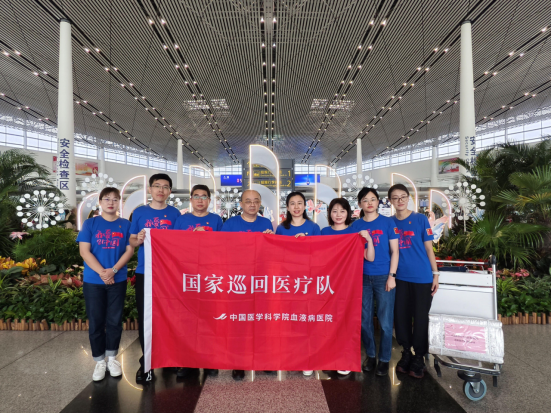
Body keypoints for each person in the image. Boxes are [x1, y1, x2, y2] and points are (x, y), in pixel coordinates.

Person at [77, 187, 134, 382]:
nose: (111, 202)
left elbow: (129, 250)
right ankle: (99, 361)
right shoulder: (90, 224)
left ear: (120, 203)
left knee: (114, 321)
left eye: (115, 199)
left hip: (117, 280)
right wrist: (103, 273)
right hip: (93, 281)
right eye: (107, 199)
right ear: (100, 202)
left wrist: (113, 271)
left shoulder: (126, 225)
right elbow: (84, 251)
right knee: (96, 321)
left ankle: (112, 358)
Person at [129, 174, 182, 383]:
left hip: (169, 274)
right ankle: (147, 362)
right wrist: (139, 239)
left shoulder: (175, 214)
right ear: (150, 189)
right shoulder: (140, 212)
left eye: (165, 187)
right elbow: (132, 240)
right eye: (157, 186)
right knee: (146, 318)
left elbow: (180, 242)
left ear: (170, 191)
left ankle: (169, 357)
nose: (161, 190)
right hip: (146, 272)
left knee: (169, 316)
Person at [222, 189, 273, 381]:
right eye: (248, 201)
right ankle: (238, 363)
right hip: (238, 281)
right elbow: (221, 249)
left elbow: (272, 253)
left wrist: (270, 239)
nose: (252, 204)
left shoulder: (266, 223)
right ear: (241, 204)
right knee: (239, 323)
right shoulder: (230, 224)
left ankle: (263, 359)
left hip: (260, 280)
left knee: (261, 320)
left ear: (260, 204)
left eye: (256, 201)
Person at [389, 184, 439, 379]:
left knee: (420, 318)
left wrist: (435, 274)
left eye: (403, 196)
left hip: (422, 278)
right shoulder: (389, 222)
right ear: (391, 201)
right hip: (399, 278)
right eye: (395, 197)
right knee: (401, 317)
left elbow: (429, 249)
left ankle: (419, 356)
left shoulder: (420, 220)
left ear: (408, 198)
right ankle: (406, 352)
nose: (400, 200)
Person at [173, 185, 221, 378]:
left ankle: (209, 360)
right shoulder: (181, 220)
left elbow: (223, 246)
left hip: (209, 276)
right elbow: (173, 245)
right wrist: (191, 238)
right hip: (187, 275)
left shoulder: (216, 220)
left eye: (204, 197)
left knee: (209, 319)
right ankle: (187, 361)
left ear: (209, 200)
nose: (200, 200)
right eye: (196, 196)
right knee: (187, 320)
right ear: (191, 199)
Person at [351, 187, 399, 377]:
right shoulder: (355, 226)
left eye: (372, 199)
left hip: (383, 277)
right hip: (362, 278)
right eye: (365, 200)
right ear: (360, 204)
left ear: (378, 202)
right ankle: (371, 355)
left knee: (386, 322)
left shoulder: (388, 222)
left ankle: (384, 359)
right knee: (365, 321)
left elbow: (395, 251)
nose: (369, 203)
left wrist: (392, 276)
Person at [320, 198, 369, 377]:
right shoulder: (324, 232)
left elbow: (369, 257)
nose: (338, 215)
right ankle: (328, 358)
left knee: (347, 321)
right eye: (334, 211)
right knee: (328, 322)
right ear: (329, 213)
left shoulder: (354, 232)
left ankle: (344, 359)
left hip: (348, 284)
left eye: (342, 211)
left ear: (348, 213)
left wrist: (369, 240)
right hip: (328, 284)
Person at [275, 191, 320, 377]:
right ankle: (291, 357)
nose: (296, 207)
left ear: (305, 206)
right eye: (292, 203)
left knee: (306, 321)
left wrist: (306, 244)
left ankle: (306, 359)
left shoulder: (313, 227)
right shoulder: (281, 229)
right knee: (289, 320)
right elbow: (276, 255)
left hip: (307, 281)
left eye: (299, 203)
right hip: (287, 282)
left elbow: (320, 254)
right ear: (287, 207)